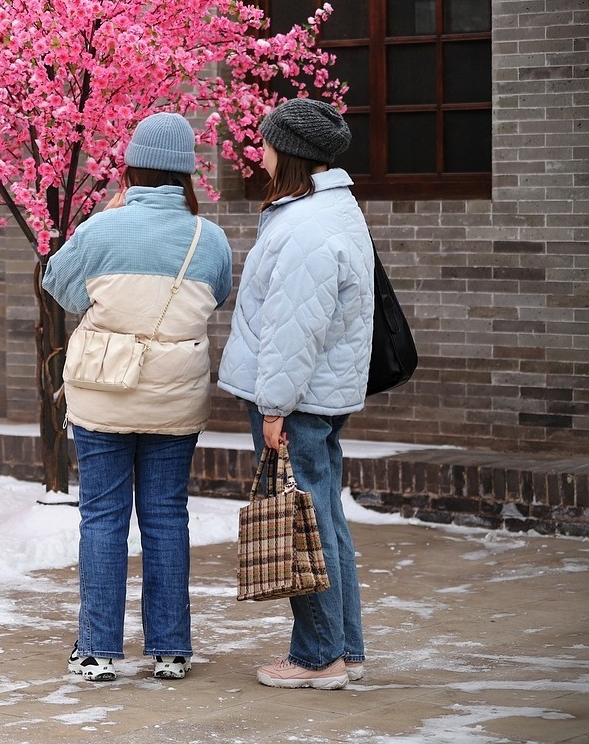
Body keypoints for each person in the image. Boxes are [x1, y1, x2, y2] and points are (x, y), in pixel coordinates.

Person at [42, 112, 233, 682]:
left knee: (103, 517)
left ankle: (98, 650)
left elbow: (60, 287)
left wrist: (106, 220)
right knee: (166, 515)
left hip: (103, 393)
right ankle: (170, 649)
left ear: (130, 170)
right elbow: (216, 297)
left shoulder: (102, 231)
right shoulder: (209, 238)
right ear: (186, 174)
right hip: (176, 399)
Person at [218, 97, 375, 690]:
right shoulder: (333, 209)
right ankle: (344, 649)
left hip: (299, 399)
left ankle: (317, 657)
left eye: (266, 144)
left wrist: (274, 407)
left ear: (290, 153)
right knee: (323, 517)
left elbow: (294, 329)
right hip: (319, 393)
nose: (259, 153)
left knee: (300, 523)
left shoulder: (306, 225)